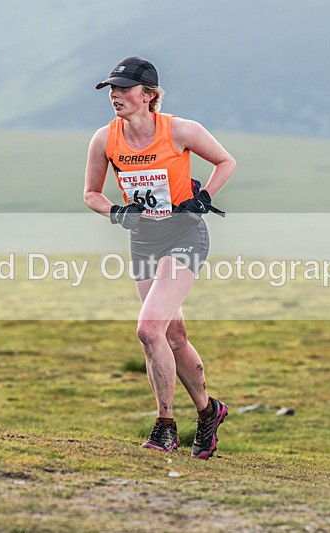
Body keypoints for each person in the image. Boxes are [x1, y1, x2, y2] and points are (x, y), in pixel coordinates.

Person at [83, 56, 236, 459]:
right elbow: (92, 194)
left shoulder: (181, 130)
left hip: (184, 233)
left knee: (149, 329)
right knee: (172, 335)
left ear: (149, 96)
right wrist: (117, 212)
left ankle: (165, 426)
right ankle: (208, 412)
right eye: (111, 89)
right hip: (143, 240)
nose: (115, 95)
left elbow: (225, 161)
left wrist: (204, 197)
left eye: (124, 89)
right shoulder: (104, 139)